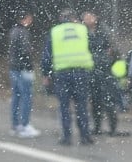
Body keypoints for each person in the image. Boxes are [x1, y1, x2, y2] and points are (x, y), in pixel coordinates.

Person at [41, 9, 95, 146]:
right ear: (73, 18)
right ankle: (85, 136)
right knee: (81, 106)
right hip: (81, 73)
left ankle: (66, 137)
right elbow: (93, 47)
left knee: (64, 106)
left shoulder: (55, 31)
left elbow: (47, 55)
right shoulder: (82, 30)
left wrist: (45, 73)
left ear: (61, 19)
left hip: (62, 74)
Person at [82, 11, 129, 137]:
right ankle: (97, 127)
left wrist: (105, 58)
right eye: (85, 18)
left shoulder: (105, 31)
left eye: (89, 17)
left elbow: (115, 50)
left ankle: (113, 128)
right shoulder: (83, 33)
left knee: (109, 101)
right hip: (92, 72)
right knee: (95, 102)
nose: (87, 20)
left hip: (106, 72)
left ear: (95, 18)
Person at [8, 11, 40, 138]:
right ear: (26, 19)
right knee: (26, 96)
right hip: (22, 69)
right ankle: (25, 125)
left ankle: (16, 125)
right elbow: (25, 52)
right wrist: (30, 68)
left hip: (13, 68)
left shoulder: (14, 31)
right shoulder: (23, 33)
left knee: (16, 96)